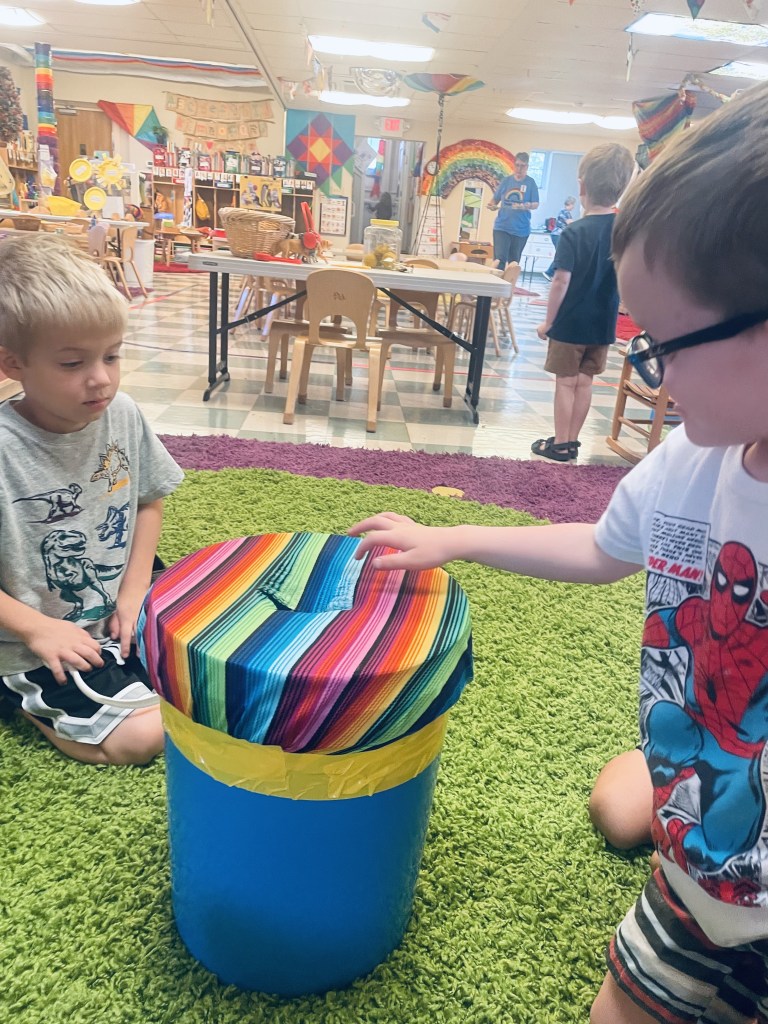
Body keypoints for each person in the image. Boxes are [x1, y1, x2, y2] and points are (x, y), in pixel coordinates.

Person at [349, 80, 768, 1023]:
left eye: (664, 345)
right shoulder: (689, 463)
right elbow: (603, 546)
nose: (646, 370)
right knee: (625, 860)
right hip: (698, 861)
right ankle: (660, 789)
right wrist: (453, 537)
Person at [0, 234, 184, 766]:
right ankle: (20, 699)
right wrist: (37, 629)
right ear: (13, 363)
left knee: (215, 662)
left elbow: (148, 499)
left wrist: (134, 589)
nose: (100, 379)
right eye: (71, 363)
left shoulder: (122, 413)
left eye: (112, 355)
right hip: (30, 636)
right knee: (144, 738)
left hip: (117, 601)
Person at [532, 144, 635, 462]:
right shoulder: (623, 231)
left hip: (570, 323)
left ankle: (560, 443)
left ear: (582, 186)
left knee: (565, 383)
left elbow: (560, 281)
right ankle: (572, 441)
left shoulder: (573, 232)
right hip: (602, 324)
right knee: (585, 382)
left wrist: (548, 322)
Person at [487, 152, 540, 270]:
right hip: (502, 227)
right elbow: (495, 199)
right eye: (517, 165)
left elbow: (536, 204)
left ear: (527, 167)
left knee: (513, 263)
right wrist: (491, 205)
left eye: (522, 166)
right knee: (499, 260)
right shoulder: (506, 181)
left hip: (521, 229)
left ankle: (509, 282)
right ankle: (496, 281)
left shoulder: (531, 183)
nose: (519, 169)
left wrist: (525, 206)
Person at [543, 195, 577, 281]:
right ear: (569, 203)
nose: (573, 207)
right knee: (561, 255)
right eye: (573, 204)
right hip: (558, 235)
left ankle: (551, 273)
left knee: (560, 255)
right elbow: (570, 223)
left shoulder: (564, 212)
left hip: (557, 235)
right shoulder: (565, 212)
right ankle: (549, 272)